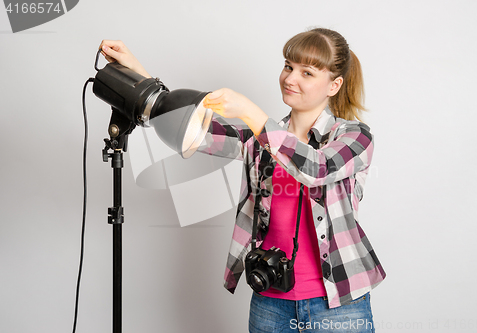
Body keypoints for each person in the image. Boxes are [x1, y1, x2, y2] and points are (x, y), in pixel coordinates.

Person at [100, 27, 386, 332]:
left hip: (339, 306)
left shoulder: (354, 136)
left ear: (334, 85)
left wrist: (254, 114)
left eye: (307, 73)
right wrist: (140, 77)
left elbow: (316, 168)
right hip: (270, 303)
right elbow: (194, 130)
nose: (290, 78)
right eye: (289, 66)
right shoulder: (257, 139)